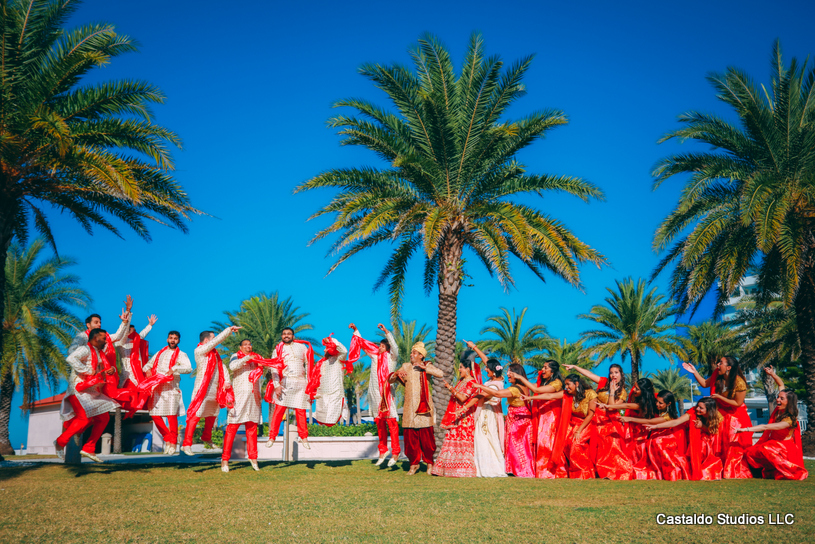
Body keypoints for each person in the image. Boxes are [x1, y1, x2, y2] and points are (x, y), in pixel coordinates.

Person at [54, 328, 122, 462]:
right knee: (83, 418)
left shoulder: (99, 353)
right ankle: (60, 442)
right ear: (96, 338)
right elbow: (71, 358)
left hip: (91, 390)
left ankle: (89, 448)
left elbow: (101, 368)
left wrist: (111, 369)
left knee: (104, 418)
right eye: (103, 339)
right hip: (78, 390)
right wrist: (88, 371)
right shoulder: (85, 349)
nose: (105, 341)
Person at [683, 356, 752, 478]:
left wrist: (720, 398)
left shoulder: (739, 382)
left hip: (734, 413)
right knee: (715, 438)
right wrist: (694, 372)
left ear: (728, 367)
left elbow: (738, 403)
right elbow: (705, 383)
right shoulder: (717, 375)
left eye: (721, 363)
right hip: (719, 411)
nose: (718, 364)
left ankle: (730, 470)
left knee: (730, 438)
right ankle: (715, 466)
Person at [737, 367, 808, 480]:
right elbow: (781, 385)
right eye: (778, 397)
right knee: (750, 452)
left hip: (784, 448)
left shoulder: (789, 420)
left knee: (765, 449)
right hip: (773, 444)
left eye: (781, 398)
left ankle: (791, 471)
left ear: (789, 402)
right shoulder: (778, 410)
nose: (777, 400)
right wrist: (772, 374)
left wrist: (745, 429)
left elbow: (766, 426)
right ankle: (761, 470)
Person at [565, 363, 632, 480]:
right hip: (596, 419)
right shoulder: (604, 382)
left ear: (621, 374)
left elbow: (611, 407)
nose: (613, 375)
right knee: (597, 449)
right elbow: (589, 374)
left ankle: (614, 474)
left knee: (611, 449)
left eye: (616, 372)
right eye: (611, 372)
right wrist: (575, 367)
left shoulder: (622, 392)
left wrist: (612, 392)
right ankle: (595, 473)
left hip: (610, 422)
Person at [181, 327, 239, 455]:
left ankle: (206, 437)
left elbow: (223, 368)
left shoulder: (215, 355)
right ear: (206, 340)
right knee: (195, 414)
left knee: (213, 413)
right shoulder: (199, 350)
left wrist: (227, 382)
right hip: (202, 389)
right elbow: (216, 341)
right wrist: (228, 330)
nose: (215, 341)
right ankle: (186, 444)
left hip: (214, 389)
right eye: (213, 338)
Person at [348, 323, 400, 467]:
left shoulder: (392, 358)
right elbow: (364, 344)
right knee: (379, 423)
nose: (379, 348)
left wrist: (386, 332)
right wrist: (356, 330)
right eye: (379, 346)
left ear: (387, 348)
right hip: (375, 395)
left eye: (382, 346)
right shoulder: (375, 357)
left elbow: (395, 348)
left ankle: (395, 453)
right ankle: (382, 451)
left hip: (387, 395)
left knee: (392, 423)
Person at [389, 341, 443, 475]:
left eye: (414, 353)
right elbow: (391, 380)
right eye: (411, 353)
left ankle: (430, 463)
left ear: (421, 356)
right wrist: (395, 375)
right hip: (409, 409)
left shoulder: (427, 365)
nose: (411, 355)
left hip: (424, 409)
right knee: (410, 440)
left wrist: (425, 368)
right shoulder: (406, 366)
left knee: (427, 440)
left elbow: (440, 373)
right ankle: (413, 464)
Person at [475, 363, 535, 478]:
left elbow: (497, 394)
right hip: (519, 418)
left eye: (510, 372)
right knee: (519, 445)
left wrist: (479, 386)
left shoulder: (515, 389)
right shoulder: (523, 387)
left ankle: (522, 470)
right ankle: (516, 469)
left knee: (516, 445)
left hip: (518, 419)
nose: (507, 374)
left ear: (517, 375)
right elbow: (489, 362)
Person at [533, 373, 597, 479]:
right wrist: (529, 397)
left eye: (568, 384)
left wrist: (578, 431)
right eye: (565, 385)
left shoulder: (590, 394)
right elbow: (550, 396)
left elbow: (591, 415)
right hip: (572, 423)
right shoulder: (568, 394)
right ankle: (570, 473)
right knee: (563, 442)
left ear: (576, 384)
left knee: (576, 444)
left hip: (586, 423)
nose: (566, 387)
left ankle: (583, 473)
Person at [510, 360, 566, 478]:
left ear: (553, 371)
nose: (543, 370)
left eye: (546, 368)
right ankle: (541, 471)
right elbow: (529, 387)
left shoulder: (557, 384)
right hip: (541, 416)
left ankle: (552, 472)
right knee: (540, 443)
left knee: (547, 444)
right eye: (543, 367)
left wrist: (520, 376)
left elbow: (536, 391)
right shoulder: (543, 382)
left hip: (551, 416)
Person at [646, 397, 724, 481]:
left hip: (707, 441)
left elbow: (714, 432)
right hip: (688, 437)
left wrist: (702, 426)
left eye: (701, 408)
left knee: (703, 442)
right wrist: (656, 426)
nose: (697, 408)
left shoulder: (717, 417)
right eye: (697, 406)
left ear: (709, 410)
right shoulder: (692, 412)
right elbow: (676, 422)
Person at [140, 330, 192, 455]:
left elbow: (189, 368)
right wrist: (147, 370)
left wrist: (174, 369)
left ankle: (173, 443)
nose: (173, 340)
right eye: (171, 338)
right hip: (157, 387)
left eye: (175, 338)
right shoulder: (160, 353)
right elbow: (147, 365)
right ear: (167, 340)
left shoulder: (182, 355)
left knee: (171, 415)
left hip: (171, 387)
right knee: (154, 414)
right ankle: (167, 438)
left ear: (178, 341)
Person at [265, 327, 316, 450]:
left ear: (293, 336)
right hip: (285, 383)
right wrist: (277, 385)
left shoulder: (302, 347)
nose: (286, 336)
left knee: (301, 412)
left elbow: (308, 365)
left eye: (289, 334)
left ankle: (304, 438)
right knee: (279, 411)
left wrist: (309, 385)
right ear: (281, 336)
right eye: (284, 334)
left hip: (300, 382)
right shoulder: (278, 349)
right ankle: (272, 437)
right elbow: (274, 368)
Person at [622, 389, 689, 481]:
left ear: (668, 404)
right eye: (656, 401)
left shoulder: (669, 416)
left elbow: (649, 421)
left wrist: (629, 419)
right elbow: (630, 405)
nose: (657, 404)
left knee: (658, 443)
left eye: (660, 403)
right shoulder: (657, 409)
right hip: (655, 437)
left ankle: (669, 473)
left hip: (666, 441)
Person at [431, 356, 481, 477]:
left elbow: (463, 398)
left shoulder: (472, 383)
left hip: (465, 417)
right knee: (452, 439)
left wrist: (450, 388)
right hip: (456, 416)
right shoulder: (461, 382)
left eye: (461, 368)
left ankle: (464, 470)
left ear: (468, 369)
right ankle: (447, 469)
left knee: (462, 441)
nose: (459, 370)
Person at [221, 339, 266, 473]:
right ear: (240, 347)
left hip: (253, 397)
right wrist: (247, 357)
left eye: (250, 344)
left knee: (252, 428)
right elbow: (233, 367)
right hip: (239, 397)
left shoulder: (257, 357)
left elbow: (267, 365)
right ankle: (225, 460)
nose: (248, 346)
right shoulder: (235, 356)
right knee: (232, 427)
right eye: (245, 344)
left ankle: (253, 458)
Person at [602, 377, 659, 479]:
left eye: (637, 388)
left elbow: (627, 405)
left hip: (641, 433)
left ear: (644, 391)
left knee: (638, 453)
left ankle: (635, 472)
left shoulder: (645, 403)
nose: (634, 390)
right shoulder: (641, 399)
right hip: (633, 430)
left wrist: (612, 394)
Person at [465, 342, 505, 478]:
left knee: (486, 438)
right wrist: (474, 346)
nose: (485, 370)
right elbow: (485, 360)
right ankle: (479, 465)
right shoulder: (495, 378)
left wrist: (466, 405)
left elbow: (483, 396)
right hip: (484, 411)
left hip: (489, 414)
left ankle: (490, 467)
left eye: (487, 369)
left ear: (493, 371)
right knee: (481, 438)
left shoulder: (496, 385)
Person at [115, 315, 157, 415]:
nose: (133, 333)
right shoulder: (120, 343)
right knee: (125, 396)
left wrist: (150, 325)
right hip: (125, 374)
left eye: (134, 331)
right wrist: (127, 317)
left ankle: (133, 413)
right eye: (131, 330)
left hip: (136, 375)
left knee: (138, 395)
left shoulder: (136, 341)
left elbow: (141, 335)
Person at [311, 334, 350, 427]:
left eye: (326, 348)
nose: (324, 350)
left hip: (335, 394)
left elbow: (344, 351)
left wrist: (331, 340)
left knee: (332, 419)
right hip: (322, 395)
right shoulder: (322, 363)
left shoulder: (339, 359)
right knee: (321, 419)